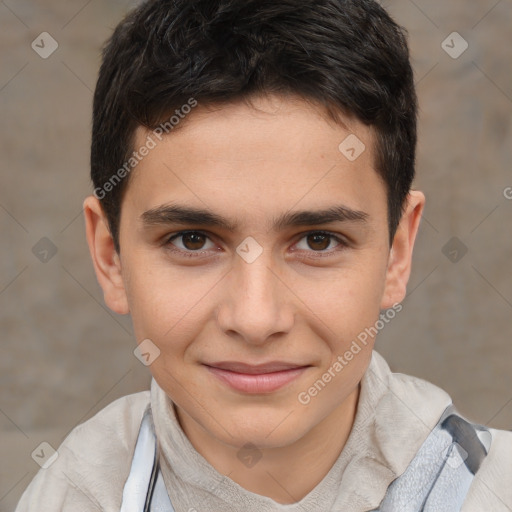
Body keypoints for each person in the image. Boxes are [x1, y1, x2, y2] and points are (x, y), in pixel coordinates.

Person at [15, 0, 512, 510]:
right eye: (193, 239)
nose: (255, 319)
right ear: (110, 256)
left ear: (397, 253)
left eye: (318, 240)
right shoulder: (69, 494)